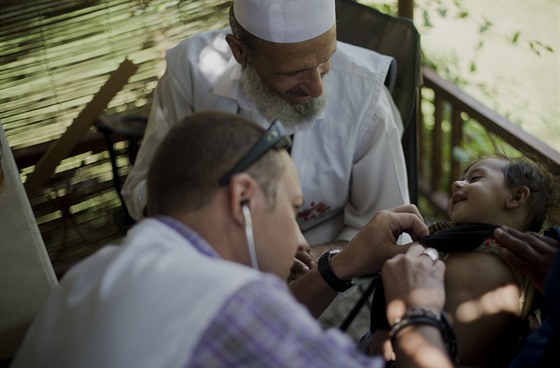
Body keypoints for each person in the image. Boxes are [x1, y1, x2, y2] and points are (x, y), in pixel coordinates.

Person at [12, 112, 452, 367]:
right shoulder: (233, 305)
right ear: (243, 196)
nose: (300, 238)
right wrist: (421, 313)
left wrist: (340, 264)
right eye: (293, 208)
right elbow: (246, 316)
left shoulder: (92, 275)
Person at [121, 0, 409, 255]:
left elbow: (392, 226)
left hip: (328, 266)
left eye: (326, 60)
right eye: (293, 72)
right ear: (239, 51)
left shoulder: (365, 94)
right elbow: (143, 190)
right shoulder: (192, 73)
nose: (318, 88)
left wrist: (318, 261)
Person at [365, 155, 560, 366]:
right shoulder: (443, 240)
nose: (456, 184)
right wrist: (382, 328)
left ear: (517, 196)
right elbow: (394, 273)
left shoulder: (534, 267)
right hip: (407, 348)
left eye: (474, 179)